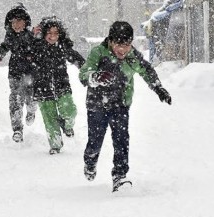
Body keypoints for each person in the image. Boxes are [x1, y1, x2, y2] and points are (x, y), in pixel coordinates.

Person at [79, 21, 172, 192]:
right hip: (97, 106)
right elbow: (84, 74)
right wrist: (96, 77)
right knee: (95, 141)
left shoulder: (132, 56)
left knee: (121, 141)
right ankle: (90, 161)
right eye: (119, 45)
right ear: (111, 41)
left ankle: (120, 177)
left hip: (120, 105)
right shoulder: (98, 53)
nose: (122, 50)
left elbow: (146, 70)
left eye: (127, 45)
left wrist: (158, 88)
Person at [31, 16, 85, 155]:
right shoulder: (35, 46)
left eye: (56, 33)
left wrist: (86, 70)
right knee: (50, 119)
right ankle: (55, 145)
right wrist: (31, 34)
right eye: (49, 33)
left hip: (62, 85)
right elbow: (22, 49)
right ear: (43, 33)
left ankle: (67, 125)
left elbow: (77, 59)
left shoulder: (62, 46)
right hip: (42, 87)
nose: (53, 36)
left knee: (70, 111)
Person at [0, 3, 37, 143]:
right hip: (15, 72)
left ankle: (31, 110)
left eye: (20, 22)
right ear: (9, 24)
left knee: (30, 97)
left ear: (26, 23)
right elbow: (4, 47)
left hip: (30, 72)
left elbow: (38, 48)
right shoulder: (10, 36)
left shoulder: (31, 35)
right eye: (13, 22)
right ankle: (17, 129)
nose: (16, 25)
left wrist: (32, 55)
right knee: (15, 99)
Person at [141, 0, 184, 64]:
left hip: (157, 35)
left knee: (154, 50)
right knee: (156, 50)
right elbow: (168, 9)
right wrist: (180, 3)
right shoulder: (157, 16)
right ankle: (154, 63)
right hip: (157, 35)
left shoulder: (155, 16)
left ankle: (154, 62)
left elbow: (167, 9)